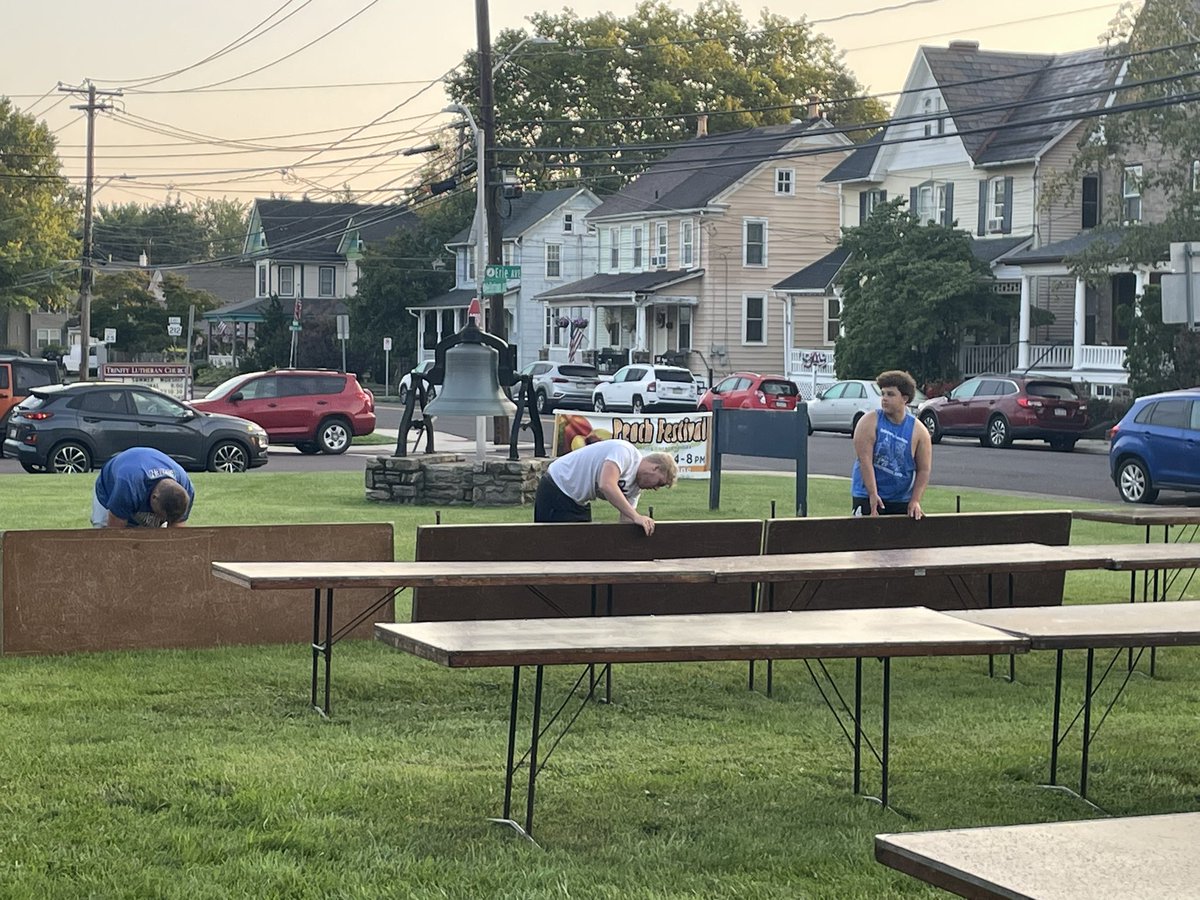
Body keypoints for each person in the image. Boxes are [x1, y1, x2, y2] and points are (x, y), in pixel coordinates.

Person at [534, 439, 678, 534]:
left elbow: (626, 520)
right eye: (659, 483)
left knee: (585, 547)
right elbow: (606, 484)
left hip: (576, 501)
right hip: (556, 486)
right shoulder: (625, 451)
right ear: (655, 468)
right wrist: (636, 517)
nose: (656, 488)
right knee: (553, 548)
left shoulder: (634, 488)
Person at [850, 370, 932, 519]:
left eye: (891, 394)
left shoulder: (919, 431)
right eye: (883, 394)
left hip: (900, 499)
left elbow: (924, 470)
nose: (884, 399)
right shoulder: (869, 422)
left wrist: (915, 501)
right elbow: (865, 460)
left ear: (905, 399)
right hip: (867, 495)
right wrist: (873, 494)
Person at [91, 447, 194, 528]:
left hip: (138, 491)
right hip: (109, 491)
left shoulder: (187, 489)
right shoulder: (128, 485)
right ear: (154, 497)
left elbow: (177, 533)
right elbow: (114, 532)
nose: (164, 520)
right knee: (102, 534)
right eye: (162, 516)